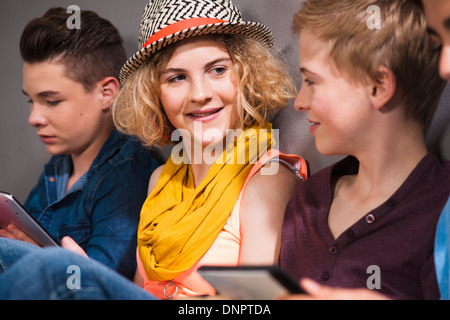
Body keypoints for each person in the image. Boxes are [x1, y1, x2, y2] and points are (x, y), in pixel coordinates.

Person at [0, 0, 306, 300]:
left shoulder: (268, 176)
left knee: (47, 268)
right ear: (153, 95)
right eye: (177, 78)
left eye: (217, 70)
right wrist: (85, 276)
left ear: (246, 75)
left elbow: (253, 305)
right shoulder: (159, 179)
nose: (199, 94)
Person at [278, 0, 450, 300]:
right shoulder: (306, 200)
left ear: (378, 87)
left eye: (311, 81)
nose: (299, 102)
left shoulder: (441, 208)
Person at [0, 7, 161, 280]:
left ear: (106, 93)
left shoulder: (128, 173)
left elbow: (103, 288)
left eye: (51, 101)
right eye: (32, 100)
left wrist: (35, 262)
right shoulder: (58, 167)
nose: (34, 117)